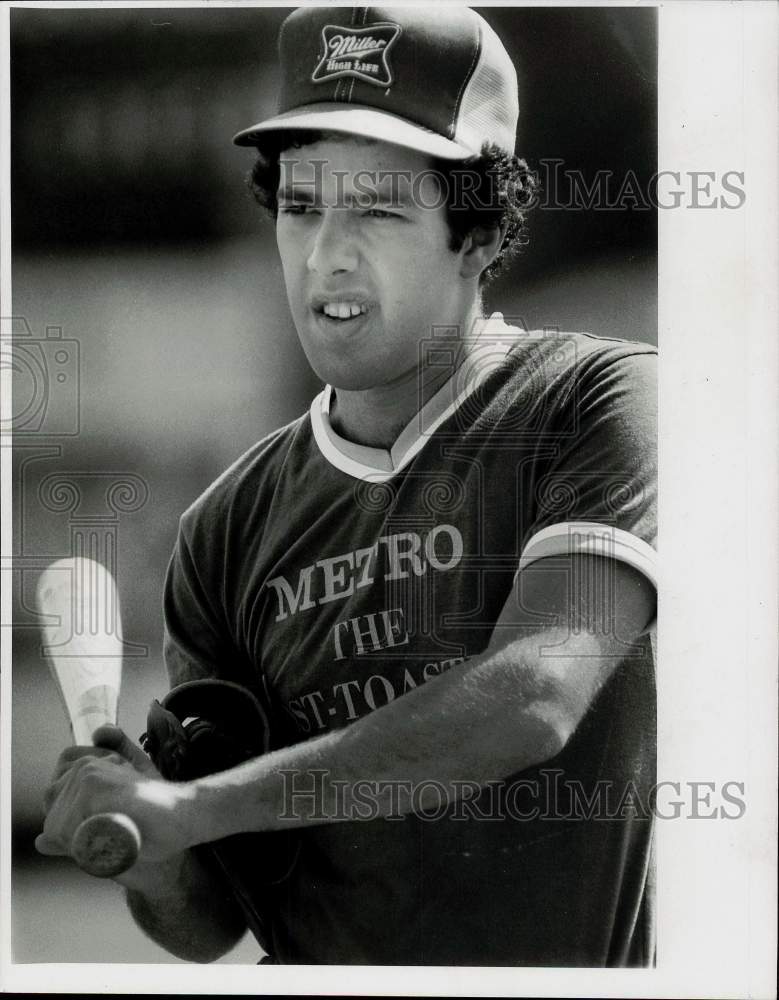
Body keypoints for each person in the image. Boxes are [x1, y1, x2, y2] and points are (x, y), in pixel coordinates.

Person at [37, 6, 657, 966]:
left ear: (478, 230)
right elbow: (207, 923)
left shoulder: (594, 399)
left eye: (376, 207)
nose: (327, 251)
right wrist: (142, 834)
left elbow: (536, 693)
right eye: (300, 204)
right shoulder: (224, 529)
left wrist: (200, 804)